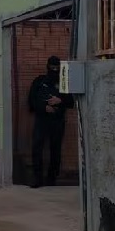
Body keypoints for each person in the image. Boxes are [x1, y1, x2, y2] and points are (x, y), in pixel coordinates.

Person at [27, 55, 75, 188]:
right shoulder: (39, 81)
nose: (54, 70)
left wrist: (60, 100)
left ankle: (51, 179)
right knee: (37, 148)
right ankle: (37, 178)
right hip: (42, 120)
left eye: (56, 68)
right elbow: (31, 101)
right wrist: (44, 107)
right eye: (52, 67)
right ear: (48, 67)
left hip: (57, 120)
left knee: (55, 150)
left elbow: (71, 102)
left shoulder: (64, 83)